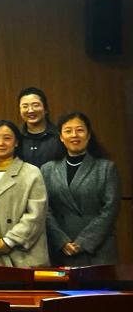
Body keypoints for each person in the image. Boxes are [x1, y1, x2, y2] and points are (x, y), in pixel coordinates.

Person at [41, 112, 120, 266]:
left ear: (88, 135)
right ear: (61, 137)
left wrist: (83, 242)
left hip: (98, 247)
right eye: (68, 131)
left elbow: (110, 210)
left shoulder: (106, 168)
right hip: (62, 248)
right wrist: (62, 241)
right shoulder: (47, 169)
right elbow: (45, 210)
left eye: (80, 130)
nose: (74, 135)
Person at [0, 120, 49, 267]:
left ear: (16, 142)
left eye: (7, 138)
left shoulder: (31, 172)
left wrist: (9, 241)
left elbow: (36, 215)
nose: (1, 143)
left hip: (24, 254)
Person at [17, 87, 63, 167]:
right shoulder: (16, 137)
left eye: (35, 105)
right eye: (25, 106)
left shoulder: (59, 135)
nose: (30, 110)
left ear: (46, 109)